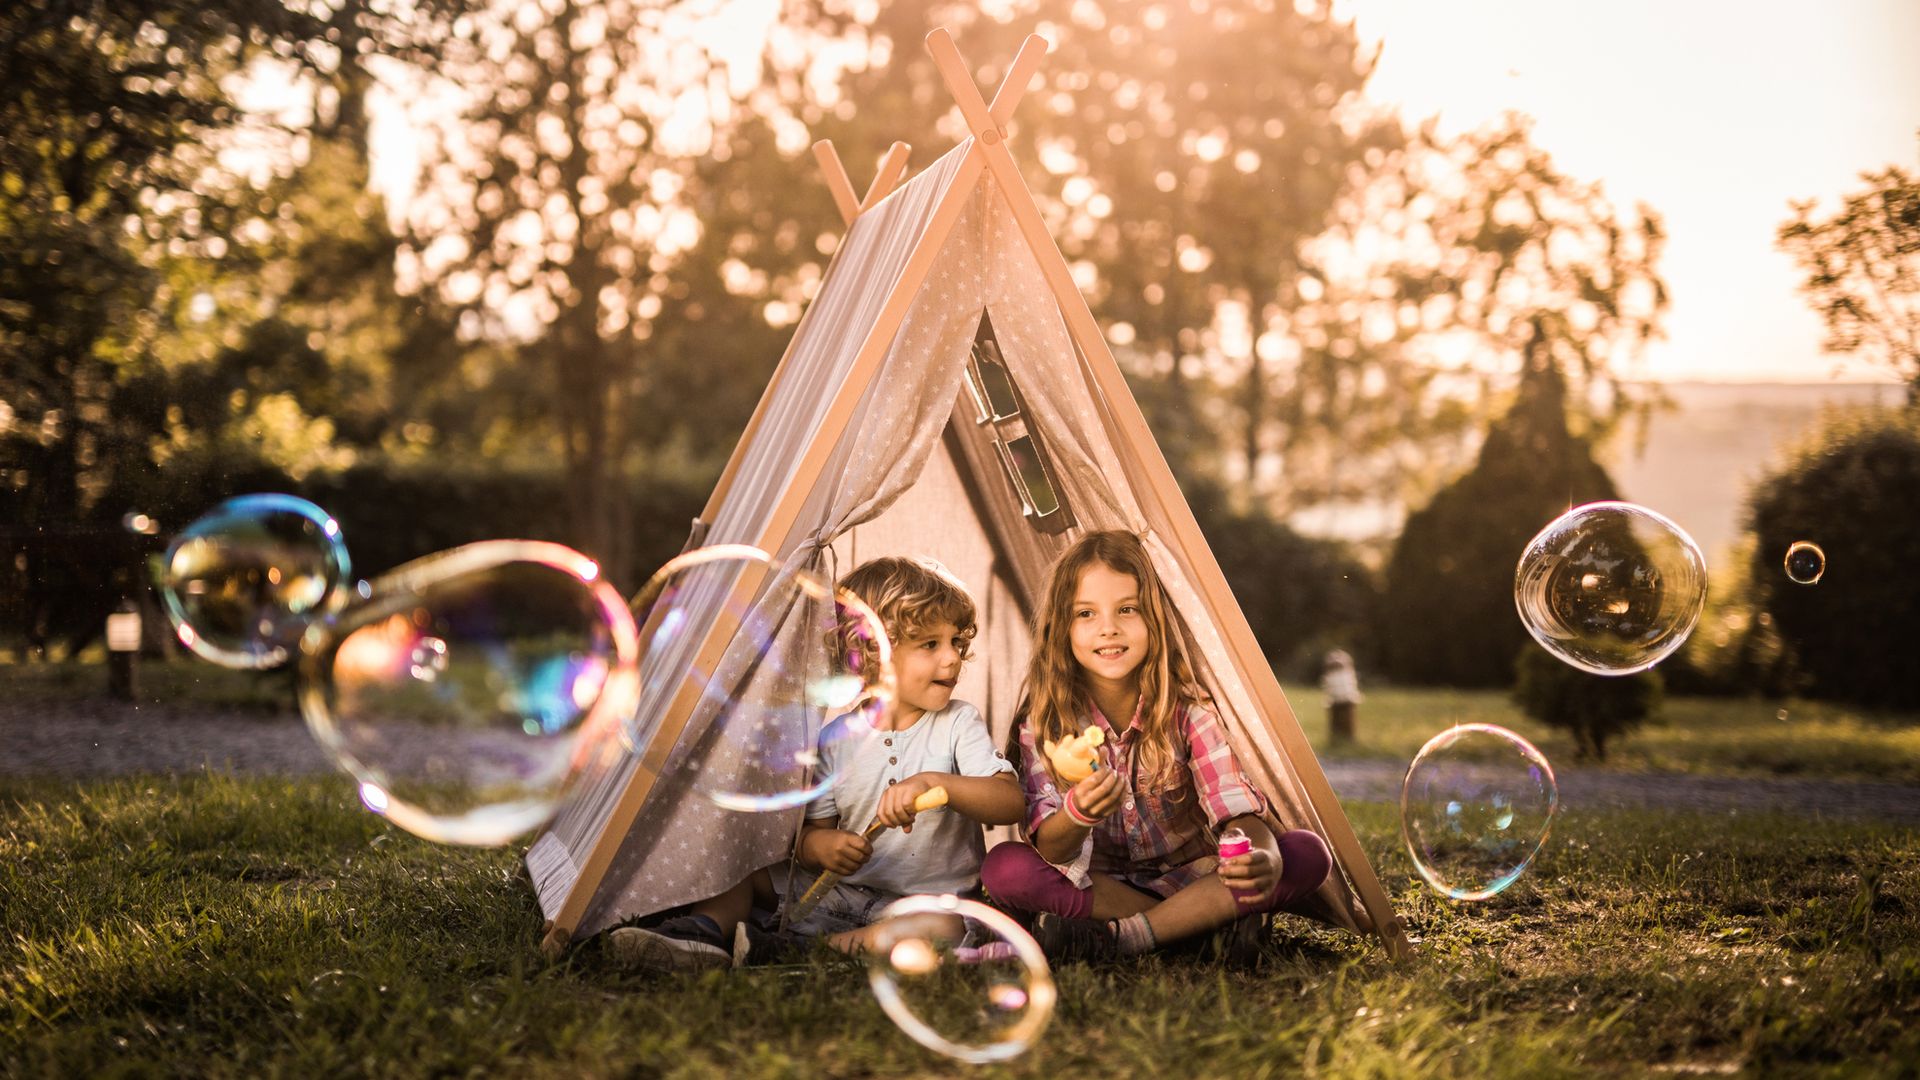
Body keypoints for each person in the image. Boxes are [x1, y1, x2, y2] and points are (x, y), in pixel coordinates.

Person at [609, 556, 1025, 973]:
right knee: (745, 868)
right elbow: (811, 838)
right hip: (841, 895)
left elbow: (1009, 801)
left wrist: (939, 783)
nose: (952, 659)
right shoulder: (834, 740)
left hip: (925, 905)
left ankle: (797, 953)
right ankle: (702, 932)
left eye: (956, 642)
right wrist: (819, 848)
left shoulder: (957, 722)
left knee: (941, 927)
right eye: (930, 644)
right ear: (872, 653)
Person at [980, 530, 1333, 960]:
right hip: (1101, 885)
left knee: (1304, 854)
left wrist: (1258, 854)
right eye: (1086, 613)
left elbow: (1235, 811)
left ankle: (1121, 939)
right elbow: (1052, 848)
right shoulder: (1045, 721)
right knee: (1005, 868)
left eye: (1127, 609)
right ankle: (1198, 929)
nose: (1108, 628)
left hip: (1197, 876)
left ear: (1155, 619)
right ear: (1061, 628)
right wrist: (1078, 814)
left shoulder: (1189, 707)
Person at [1322, 649, 1361, 745]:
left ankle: (1346, 738)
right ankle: (1338, 738)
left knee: (1346, 722)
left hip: (1344, 700)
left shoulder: (1344, 674)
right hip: (1340, 701)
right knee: (1339, 722)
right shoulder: (1344, 674)